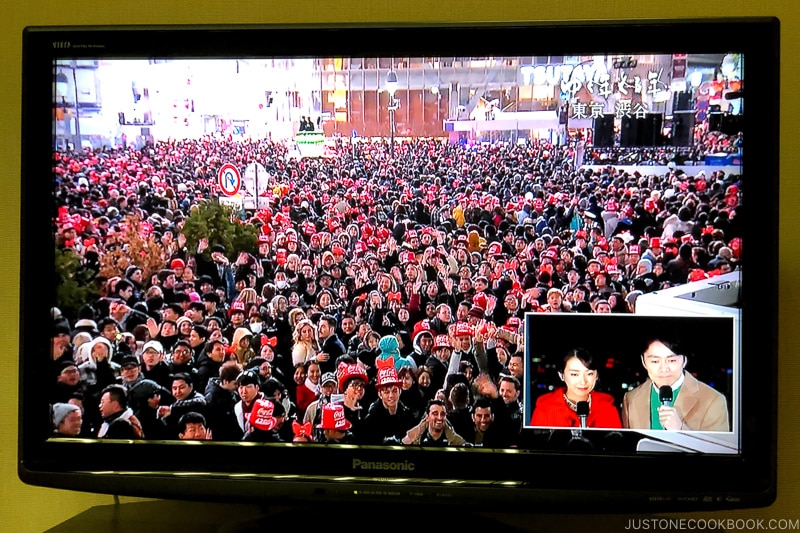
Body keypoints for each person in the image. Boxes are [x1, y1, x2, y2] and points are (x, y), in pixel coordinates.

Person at [622, 337, 729, 431]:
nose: (663, 369)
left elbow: (718, 450)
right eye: (655, 361)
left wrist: (680, 429)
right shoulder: (631, 399)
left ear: (684, 360)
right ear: (644, 361)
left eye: (672, 360)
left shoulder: (713, 400)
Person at [530, 348, 622, 428]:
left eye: (589, 374)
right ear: (562, 375)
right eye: (574, 374)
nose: (583, 381)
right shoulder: (545, 409)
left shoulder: (608, 408)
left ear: (596, 375)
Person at [360, 357, 417, 444]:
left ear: (400, 391)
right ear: (380, 394)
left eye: (394, 391)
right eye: (386, 392)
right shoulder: (371, 419)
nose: (391, 396)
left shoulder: (407, 415)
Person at [402, 399, 467, 446]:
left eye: (442, 414)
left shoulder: (455, 441)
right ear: (427, 417)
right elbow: (403, 445)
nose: (439, 417)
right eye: (435, 413)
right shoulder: (416, 438)